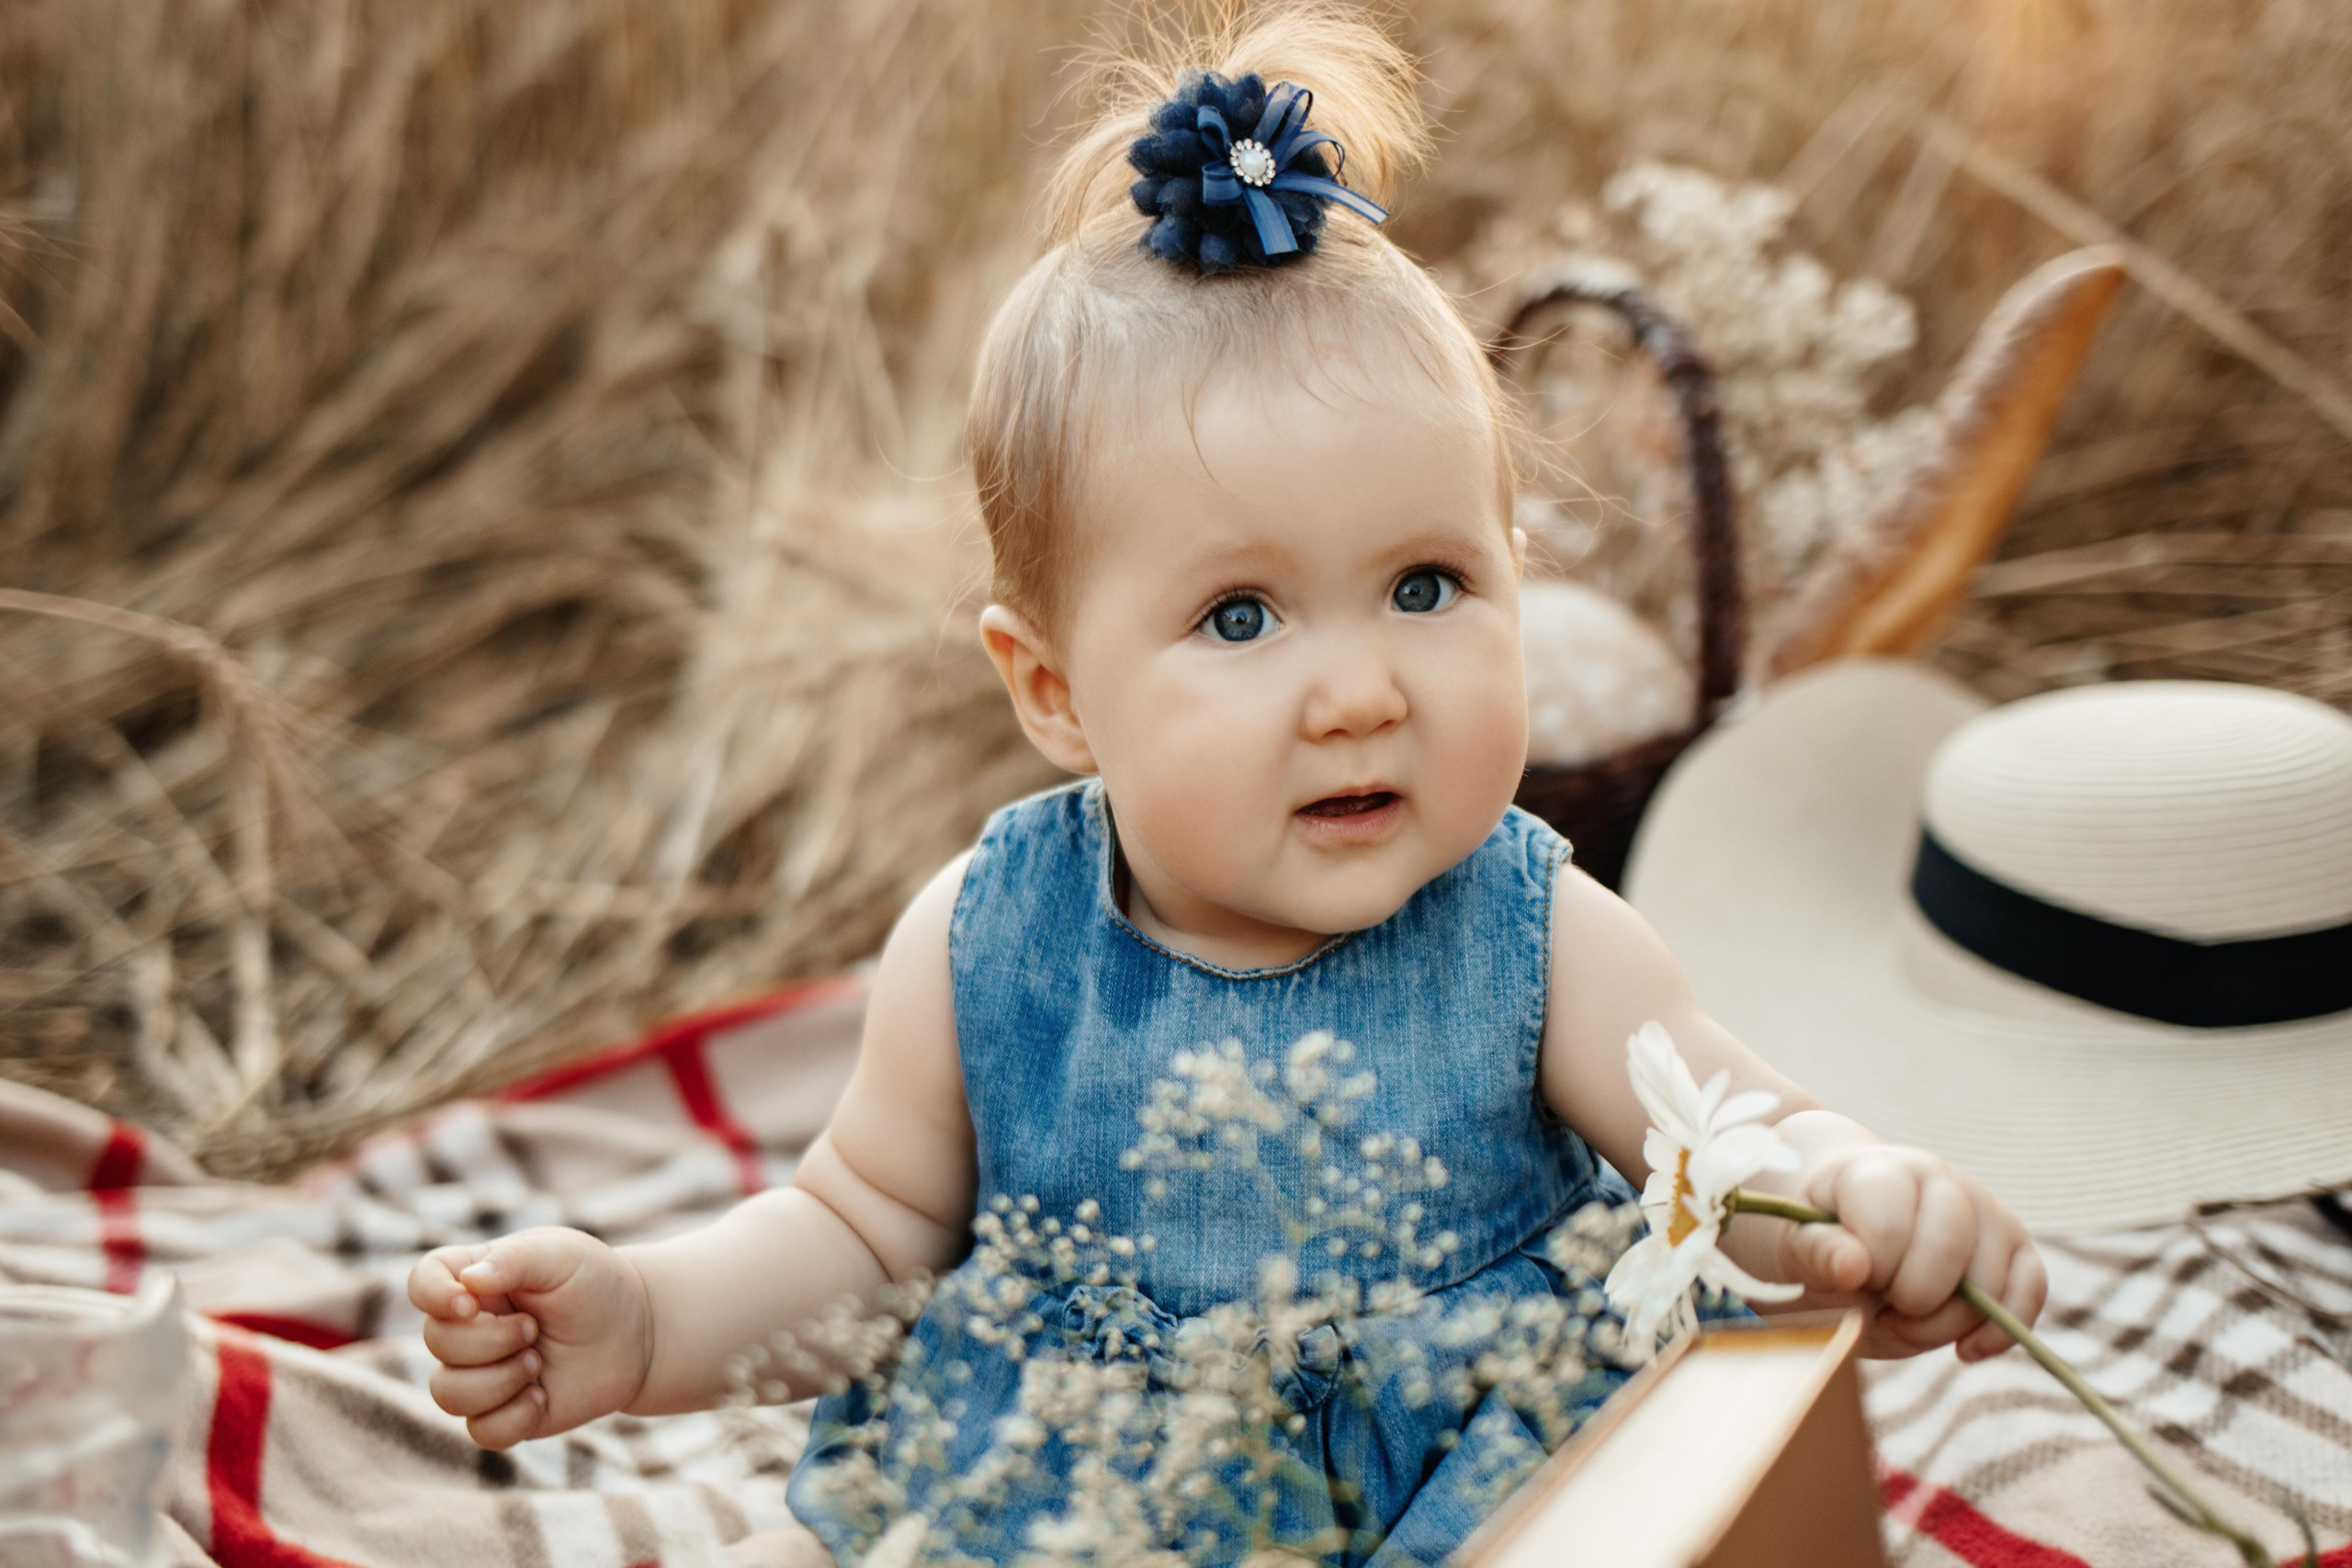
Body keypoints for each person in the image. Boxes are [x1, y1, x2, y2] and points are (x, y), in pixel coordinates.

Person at [405, 8, 2044, 1562]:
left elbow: (1725, 1133)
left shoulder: (1533, 930)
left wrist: (1849, 1203)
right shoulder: (991, 941)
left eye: (1425, 586)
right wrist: (647, 1325)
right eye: (1240, 617)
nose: (1358, 692)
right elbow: (856, 1239)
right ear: (1055, 693)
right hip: (1098, 1497)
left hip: (1488, 1480)